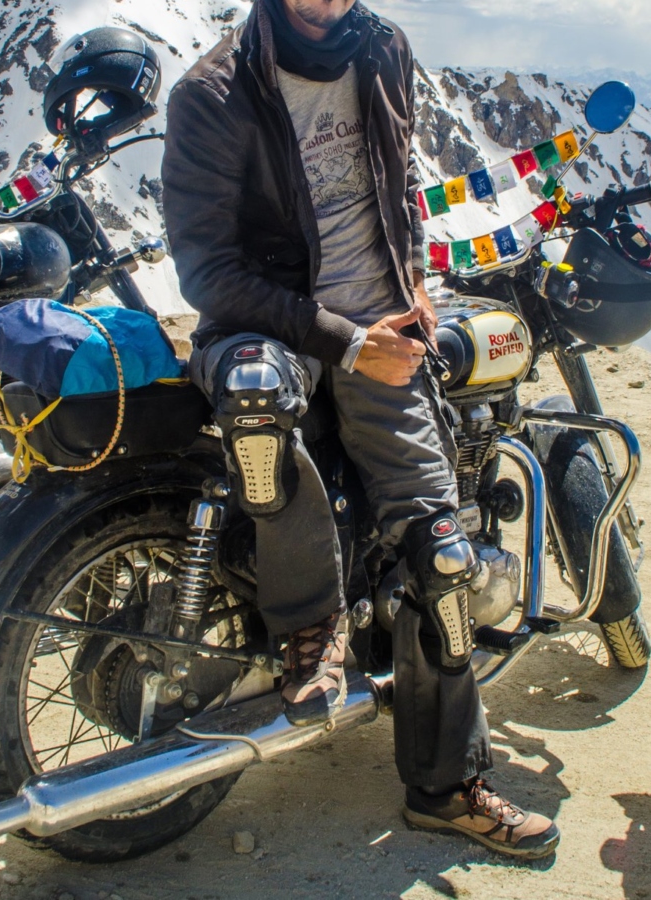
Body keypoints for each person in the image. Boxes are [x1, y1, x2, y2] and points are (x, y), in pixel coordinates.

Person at [160, 0, 560, 859]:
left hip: (385, 325)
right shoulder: (213, 93)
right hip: (271, 325)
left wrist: (411, 284)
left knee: (443, 555)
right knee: (258, 396)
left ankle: (449, 788)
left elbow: (398, 181)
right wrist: (346, 342)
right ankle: (312, 625)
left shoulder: (383, 49)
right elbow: (207, 272)